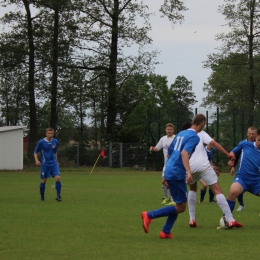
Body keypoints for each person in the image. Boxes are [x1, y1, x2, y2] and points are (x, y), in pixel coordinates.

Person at [140, 114, 205, 239]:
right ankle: (149, 215)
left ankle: (165, 232)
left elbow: (169, 153)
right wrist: (189, 172)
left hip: (171, 170)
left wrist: (165, 174)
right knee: (181, 207)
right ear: (202, 124)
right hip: (176, 172)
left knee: (178, 204)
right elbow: (184, 153)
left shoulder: (181, 133)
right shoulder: (194, 137)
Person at [185, 125, 242, 228]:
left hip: (190, 165)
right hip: (203, 165)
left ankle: (192, 219)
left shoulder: (182, 135)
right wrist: (227, 154)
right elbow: (213, 143)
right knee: (217, 190)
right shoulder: (201, 133)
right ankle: (231, 219)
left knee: (192, 188)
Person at [226, 129, 260, 218]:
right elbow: (232, 153)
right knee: (233, 192)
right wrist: (231, 160)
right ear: (257, 137)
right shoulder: (245, 144)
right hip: (242, 178)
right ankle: (226, 219)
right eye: (259, 140)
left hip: (257, 180)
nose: (259, 143)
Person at [150, 123, 175, 206]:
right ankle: (166, 198)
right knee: (163, 182)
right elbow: (158, 148)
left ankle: (173, 199)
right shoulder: (163, 139)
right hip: (166, 165)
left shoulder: (175, 138)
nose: (169, 131)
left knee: (171, 182)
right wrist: (153, 148)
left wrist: (172, 154)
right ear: (165, 130)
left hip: (173, 164)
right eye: (168, 129)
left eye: (171, 129)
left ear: (173, 130)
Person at [34, 127, 62, 201]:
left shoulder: (55, 141)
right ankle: (42, 197)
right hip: (45, 164)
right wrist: (37, 160)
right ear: (46, 134)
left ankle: (58, 196)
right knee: (44, 180)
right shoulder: (41, 142)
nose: (50, 135)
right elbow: (35, 152)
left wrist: (56, 160)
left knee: (58, 178)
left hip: (53, 163)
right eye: (49, 133)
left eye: (52, 133)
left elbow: (55, 152)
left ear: (53, 133)